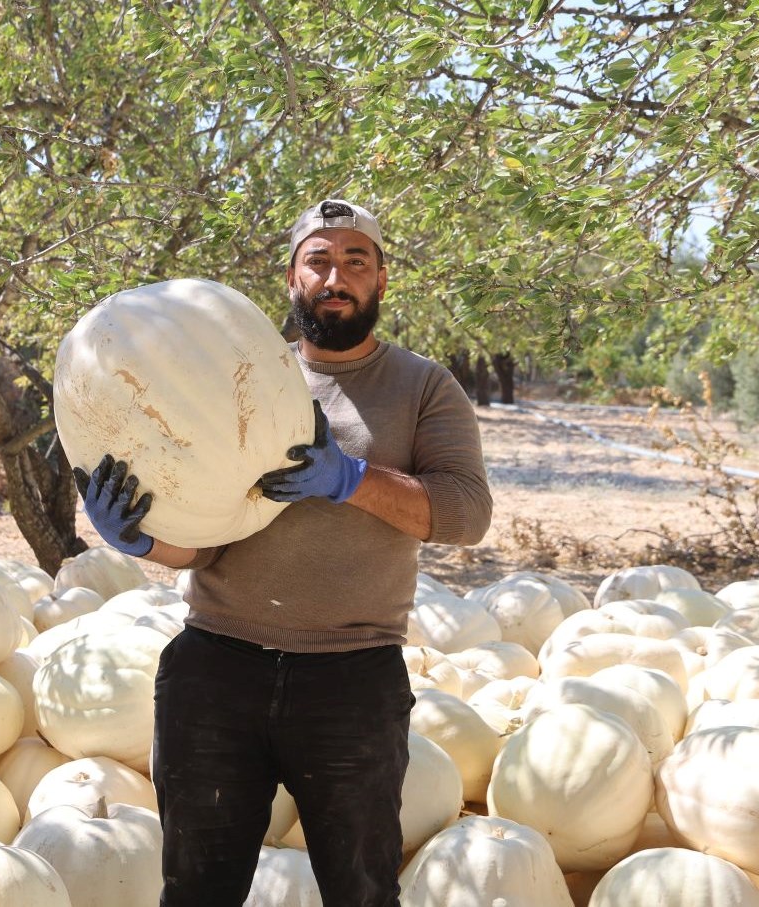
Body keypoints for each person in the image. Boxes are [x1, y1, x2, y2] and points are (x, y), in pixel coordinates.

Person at [74, 198, 493, 906]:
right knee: (197, 889)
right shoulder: (232, 372)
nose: (337, 276)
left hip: (352, 681)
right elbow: (204, 542)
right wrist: (143, 537)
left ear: (382, 278)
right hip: (216, 670)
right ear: (292, 278)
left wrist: (351, 479)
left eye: (355, 260)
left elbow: (464, 513)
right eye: (318, 260)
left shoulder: (424, 387)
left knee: (360, 892)